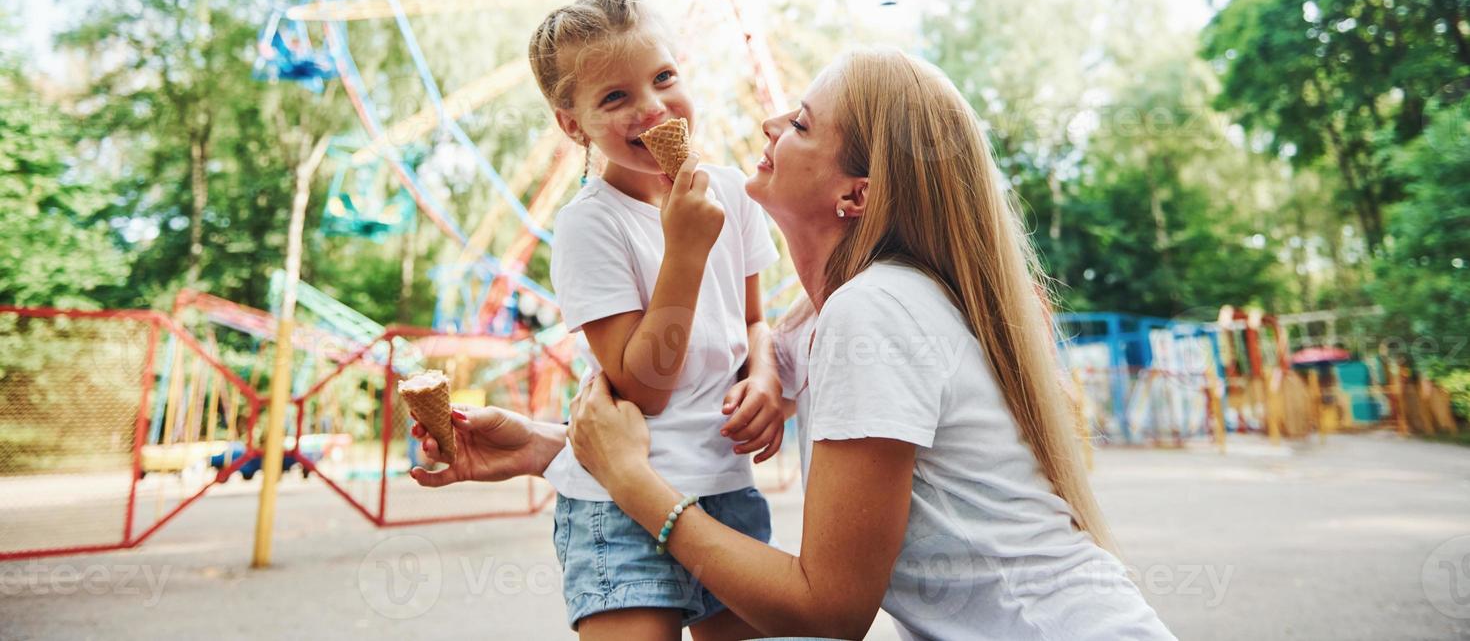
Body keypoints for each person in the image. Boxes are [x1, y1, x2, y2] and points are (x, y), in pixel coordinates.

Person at [414, 47, 1175, 641]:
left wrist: (632, 486)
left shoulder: (873, 313)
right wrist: (550, 448)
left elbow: (827, 611)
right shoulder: (835, 318)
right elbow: (689, 404)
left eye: (803, 124)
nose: (773, 123)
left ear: (856, 195)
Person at [416, 0, 785, 640]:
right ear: (573, 124)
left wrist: (765, 378)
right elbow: (645, 384)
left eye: (664, 78)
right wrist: (686, 249)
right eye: (615, 98)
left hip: (727, 483)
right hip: (618, 501)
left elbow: (754, 320)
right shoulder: (590, 227)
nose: (652, 109)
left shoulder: (731, 191)